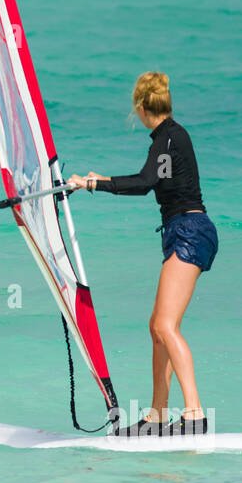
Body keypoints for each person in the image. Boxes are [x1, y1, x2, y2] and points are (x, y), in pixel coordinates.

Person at [67, 72, 217, 435]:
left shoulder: (169, 137)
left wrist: (93, 184)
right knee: (158, 328)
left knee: (165, 326)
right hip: (185, 231)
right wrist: (100, 180)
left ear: (139, 107)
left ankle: (194, 413)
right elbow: (152, 178)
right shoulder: (169, 138)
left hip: (189, 232)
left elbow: (145, 183)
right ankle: (158, 414)